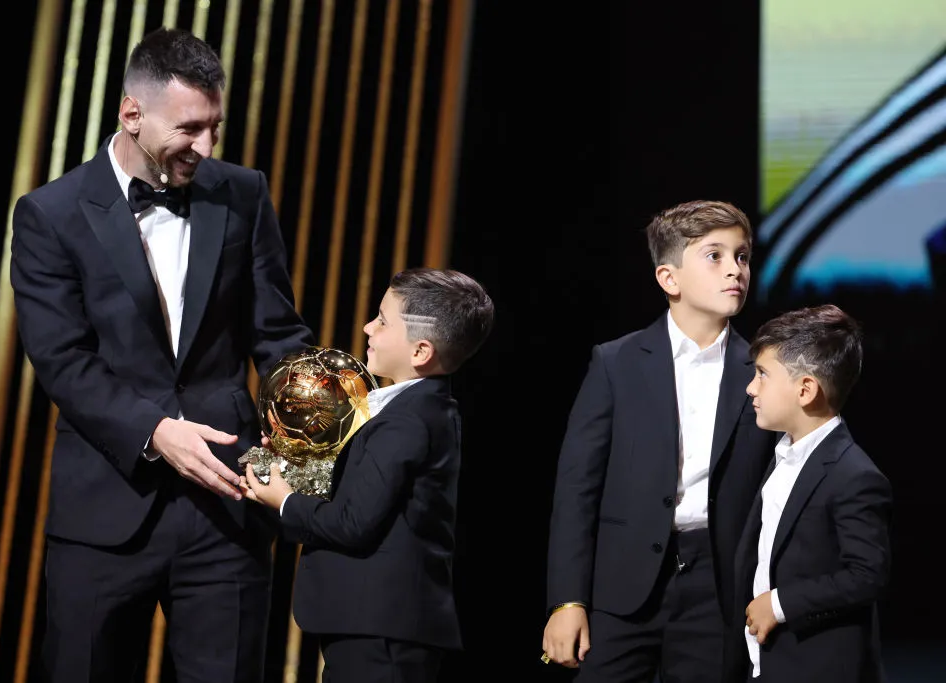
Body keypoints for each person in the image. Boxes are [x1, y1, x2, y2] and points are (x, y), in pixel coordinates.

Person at [9, 27, 313, 682]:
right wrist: (155, 431)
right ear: (131, 113)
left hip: (228, 509)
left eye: (215, 127)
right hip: (104, 511)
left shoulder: (242, 192)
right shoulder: (49, 214)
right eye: (190, 128)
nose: (206, 147)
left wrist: (316, 420)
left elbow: (277, 333)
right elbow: (63, 360)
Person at [542, 200, 779, 682]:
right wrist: (567, 599)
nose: (735, 269)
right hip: (621, 588)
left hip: (718, 591)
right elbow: (576, 489)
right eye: (714, 256)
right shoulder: (616, 362)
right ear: (669, 279)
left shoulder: (763, 370)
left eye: (742, 256)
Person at [240, 267, 495, 683]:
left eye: (382, 319)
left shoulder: (409, 421)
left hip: (383, 629)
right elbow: (363, 494)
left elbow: (352, 522)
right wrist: (293, 463)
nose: (366, 327)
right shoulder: (414, 410)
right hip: (376, 625)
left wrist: (284, 500)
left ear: (421, 351)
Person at [733, 304, 891, 682]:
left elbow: (867, 575)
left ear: (805, 389)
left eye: (762, 375)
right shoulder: (781, 454)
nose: (751, 387)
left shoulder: (854, 475)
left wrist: (780, 603)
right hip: (765, 663)